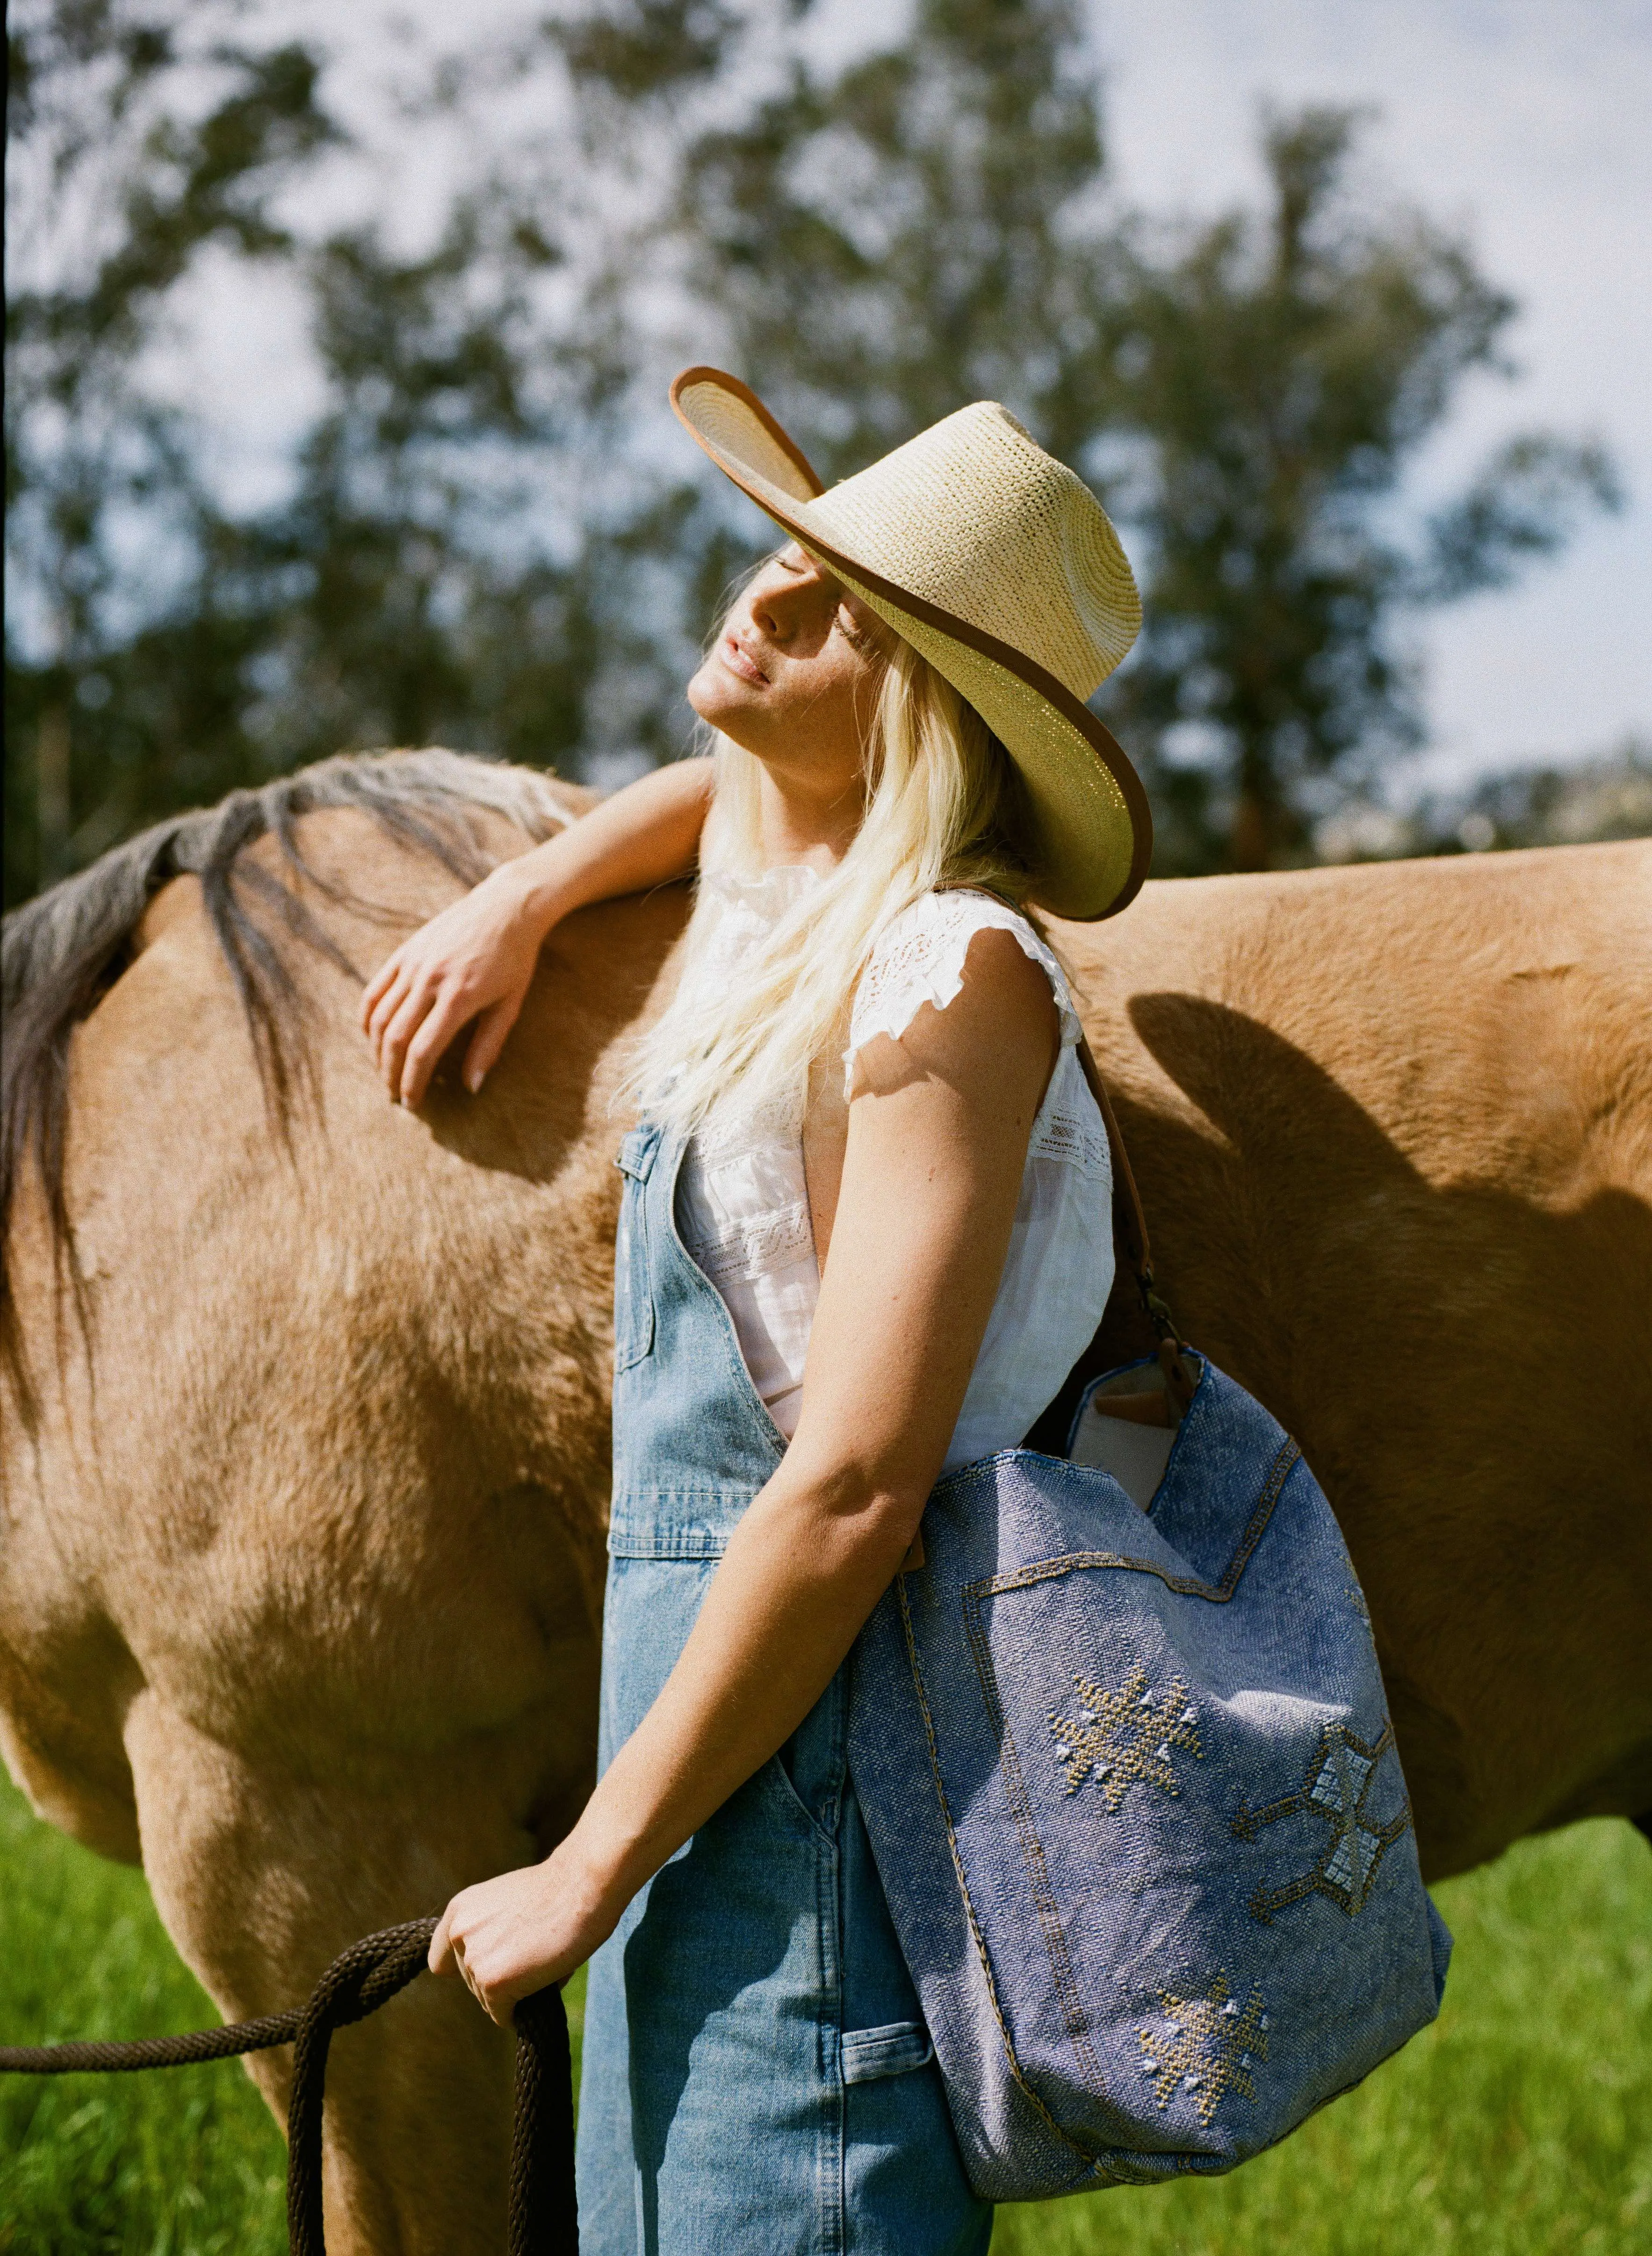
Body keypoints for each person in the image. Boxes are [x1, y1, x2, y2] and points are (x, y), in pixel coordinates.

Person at [361, 369, 1148, 2254]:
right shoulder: (783, 876)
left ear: (925, 722)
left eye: (841, 614)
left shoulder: (946, 980)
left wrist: (583, 1869)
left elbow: (861, 1485)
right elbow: (701, 782)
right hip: (698, 1747)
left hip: (818, 1774)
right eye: (787, 558)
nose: (762, 604)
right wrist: (528, 896)